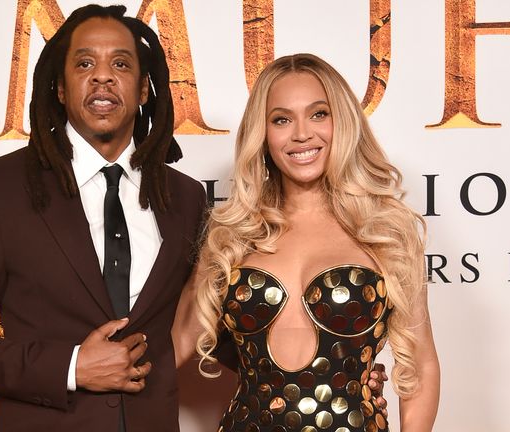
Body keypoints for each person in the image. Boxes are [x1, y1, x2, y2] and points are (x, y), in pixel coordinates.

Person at [0, 5, 207, 431]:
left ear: (145, 89)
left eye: (121, 64)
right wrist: (71, 367)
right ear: (58, 87)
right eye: (85, 63)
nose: (103, 76)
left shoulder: (185, 196)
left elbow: (204, 319)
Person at [173, 53, 440, 431]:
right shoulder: (232, 234)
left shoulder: (387, 231)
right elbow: (176, 345)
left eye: (318, 114)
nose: (302, 134)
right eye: (281, 119)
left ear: (342, 122)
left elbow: (423, 364)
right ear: (262, 134)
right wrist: (75, 371)